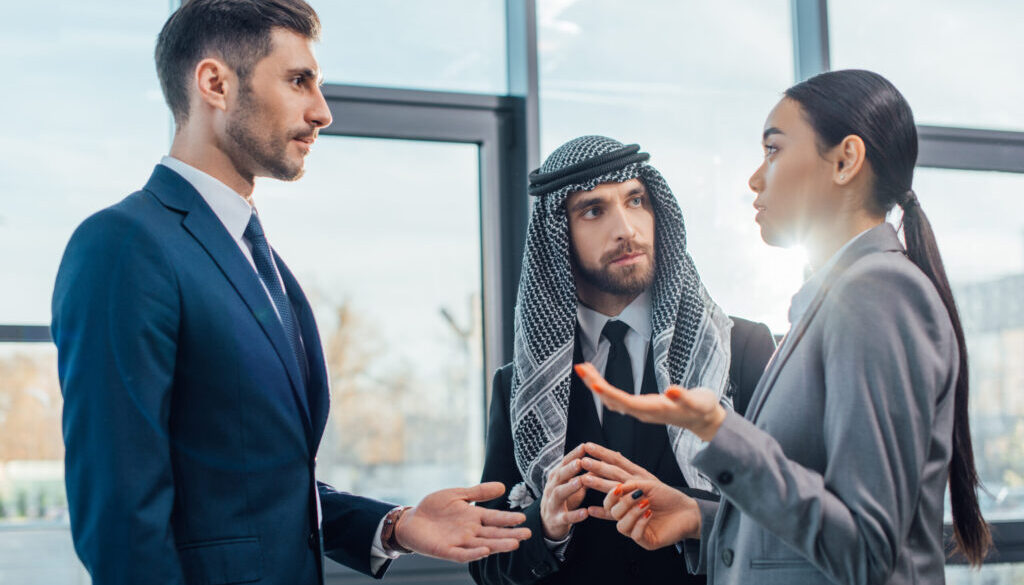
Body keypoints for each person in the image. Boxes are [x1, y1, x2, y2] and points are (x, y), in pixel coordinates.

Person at [50, 2, 529, 584]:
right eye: (299, 81)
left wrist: (395, 526)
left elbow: (265, 491)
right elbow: (120, 523)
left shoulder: (261, 262)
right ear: (215, 83)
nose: (321, 112)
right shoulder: (123, 246)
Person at [577, 70, 991, 585]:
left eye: (772, 150)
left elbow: (866, 552)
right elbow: (822, 532)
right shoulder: (836, 298)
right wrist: (700, 518)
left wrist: (718, 432)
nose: (755, 178)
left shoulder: (877, 292)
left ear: (845, 161)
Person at [468, 135, 776, 585]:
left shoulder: (740, 350)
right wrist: (546, 526)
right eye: (594, 211)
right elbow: (487, 565)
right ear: (558, 237)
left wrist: (696, 515)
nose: (627, 229)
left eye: (636, 201)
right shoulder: (518, 385)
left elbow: (792, 520)